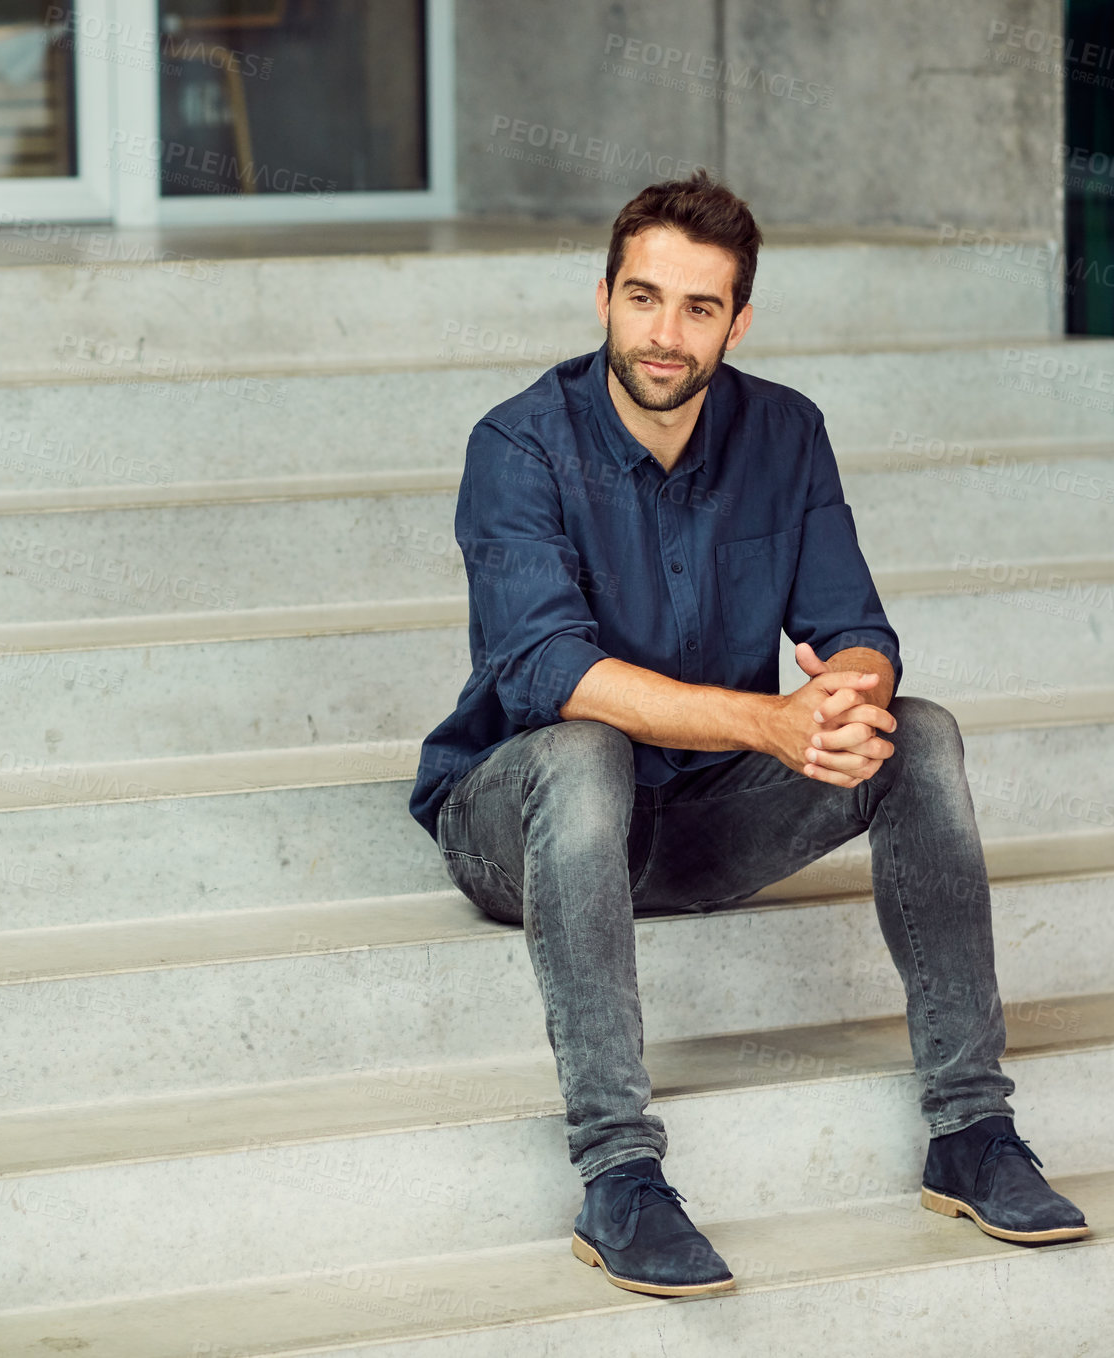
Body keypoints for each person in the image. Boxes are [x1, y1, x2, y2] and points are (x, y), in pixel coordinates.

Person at [409, 170, 1089, 1297]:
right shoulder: (518, 445)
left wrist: (844, 695)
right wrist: (766, 719)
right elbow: (546, 672)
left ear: (739, 319)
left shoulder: (784, 432)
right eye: (641, 298)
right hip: (522, 828)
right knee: (587, 750)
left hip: (699, 820)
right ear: (601, 298)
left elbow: (853, 628)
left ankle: (969, 1132)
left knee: (914, 733)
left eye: (696, 307)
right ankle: (618, 1171)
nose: (663, 333)